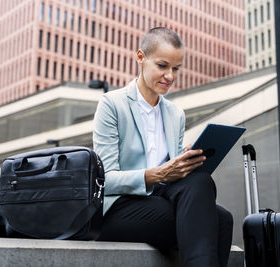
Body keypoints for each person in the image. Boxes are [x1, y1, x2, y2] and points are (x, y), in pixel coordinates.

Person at [93, 27, 233, 267]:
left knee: (210, 196)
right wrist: (156, 174)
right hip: (118, 206)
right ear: (140, 57)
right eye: (162, 66)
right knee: (212, 220)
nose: (170, 76)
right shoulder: (112, 104)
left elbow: (172, 179)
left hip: (159, 198)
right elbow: (105, 180)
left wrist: (184, 162)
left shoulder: (175, 114)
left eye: (176, 68)